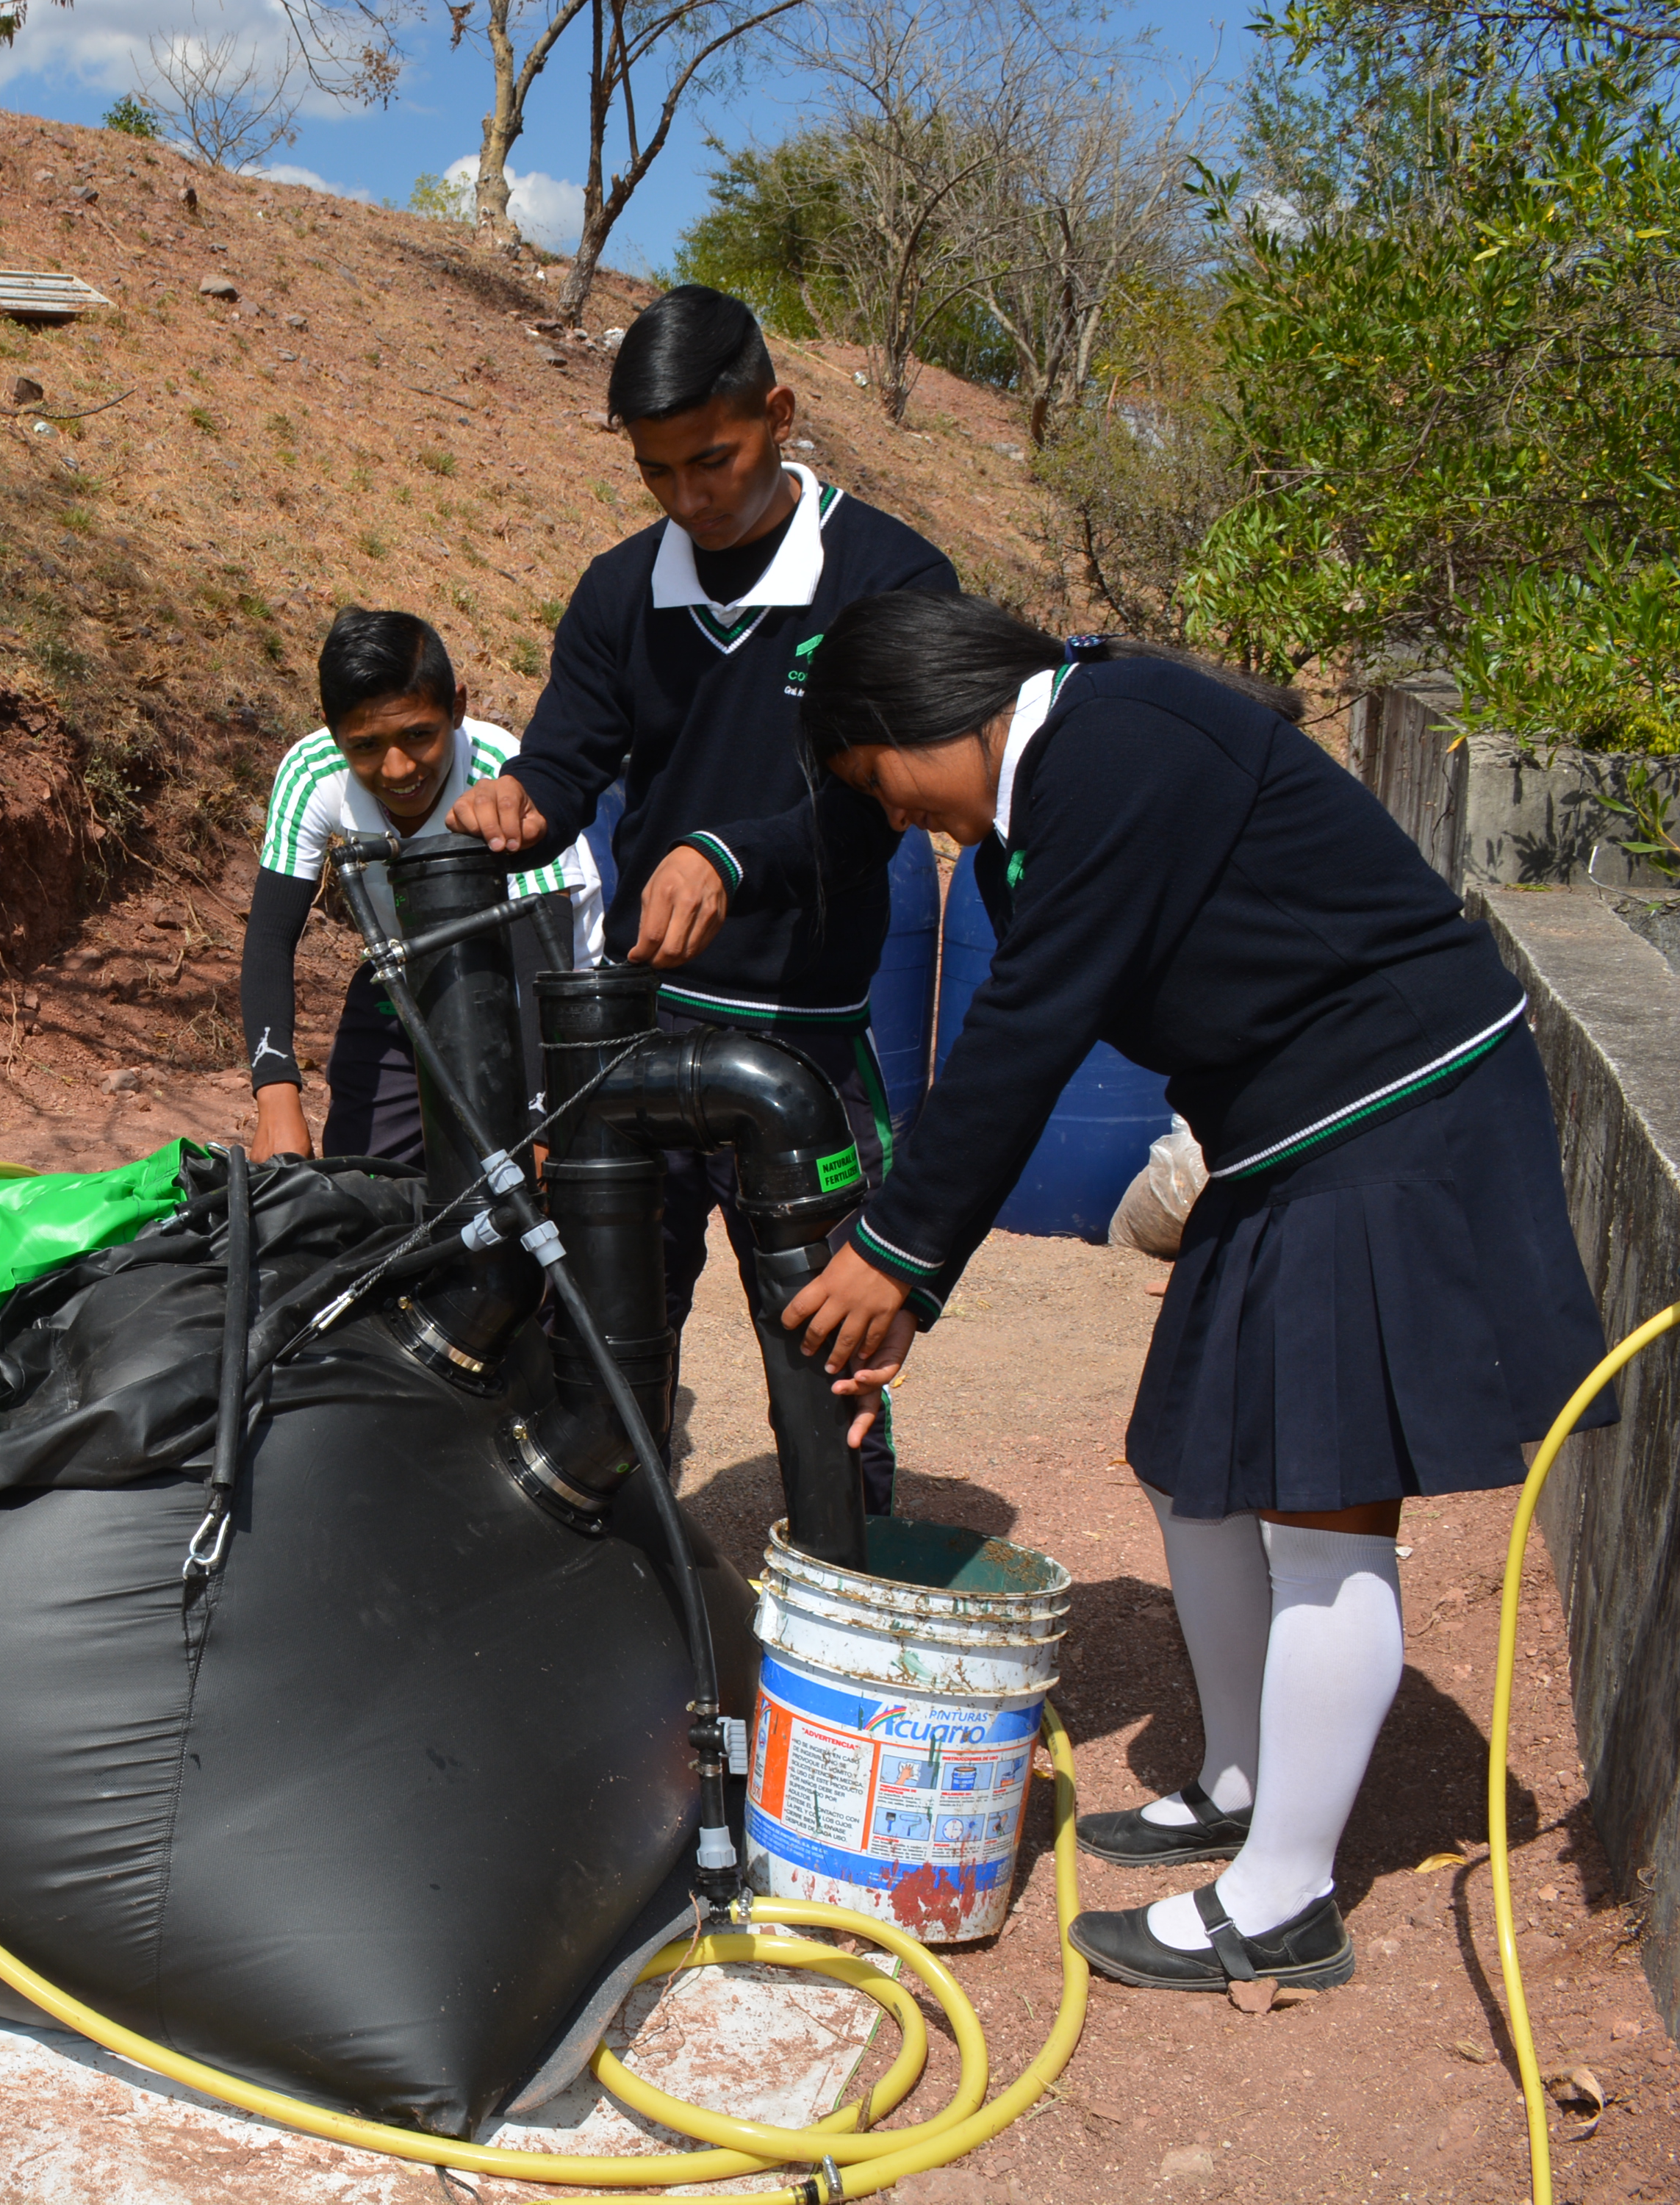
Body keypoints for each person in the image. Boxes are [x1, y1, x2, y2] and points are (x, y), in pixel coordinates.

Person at [778, 591, 1615, 1996]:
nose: (906, 816)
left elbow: (1028, 1026)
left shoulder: (1110, 746)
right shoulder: (1059, 773)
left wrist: (898, 1257)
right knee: (1192, 1463)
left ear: (928, 718)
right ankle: (1241, 1777)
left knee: (1323, 1510)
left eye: (884, 781)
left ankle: (1284, 1903)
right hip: (1280, 1125)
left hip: (1388, 1108)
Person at [446, 284, 958, 1512]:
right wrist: (515, 803)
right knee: (607, 1335)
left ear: (777, 414)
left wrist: (730, 856)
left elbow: (888, 802)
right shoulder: (620, 592)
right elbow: (566, 766)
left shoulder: (887, 574)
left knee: (823, 1346)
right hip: (644, 1026)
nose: (687, 498)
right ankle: (612, 1572)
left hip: (806, 1033)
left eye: (713, 460)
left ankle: (844, 1567)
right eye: (656, 471)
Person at [240, 609, 599, 1163]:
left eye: (418, 735)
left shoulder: (502, 771)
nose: (398, 769)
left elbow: (542, 951)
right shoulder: (311, 773)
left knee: (529, 1182)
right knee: (360, 1181)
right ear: (332, 729)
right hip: (407, 973)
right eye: (365, 745)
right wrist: (276, 1094)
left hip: (536, 989)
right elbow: (270, 937)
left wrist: (540, 1120)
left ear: (457, 707)